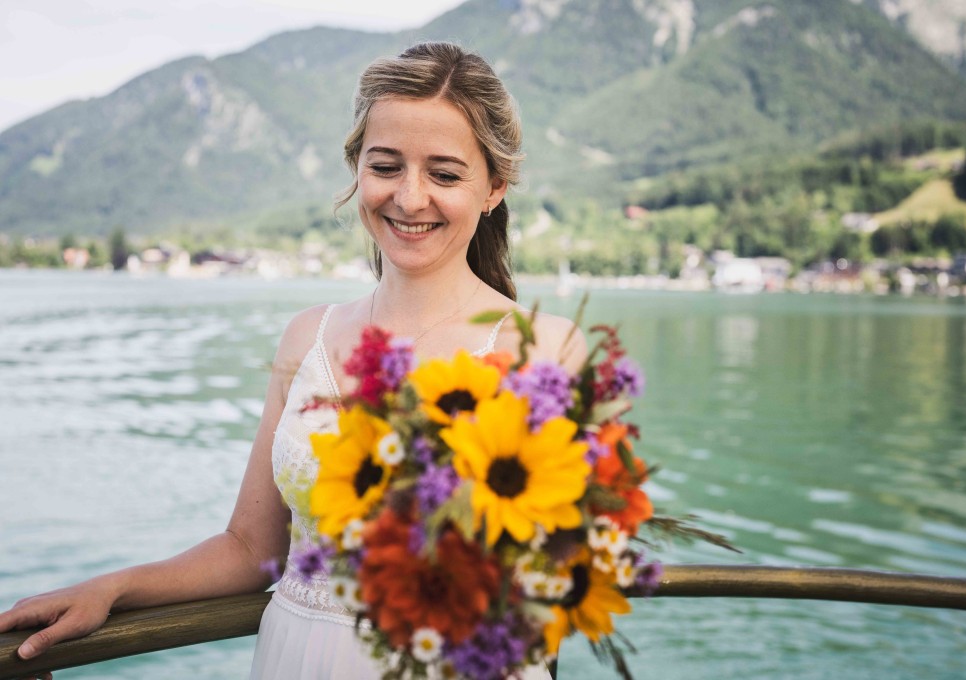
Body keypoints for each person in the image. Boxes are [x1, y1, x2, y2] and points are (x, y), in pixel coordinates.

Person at [0, 41, 584, 679]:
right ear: (357, 168)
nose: (411, 198)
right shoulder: (307, 337)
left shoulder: (545, 348)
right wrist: (113, 588)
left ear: (494, 187)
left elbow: (551, 573)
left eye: (444, 174)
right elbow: (251, 548)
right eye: (385, 165)